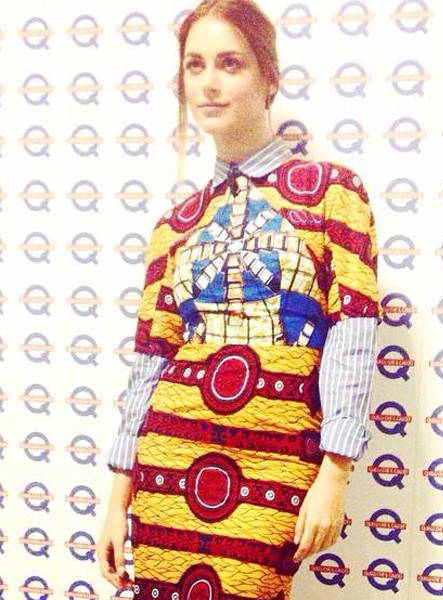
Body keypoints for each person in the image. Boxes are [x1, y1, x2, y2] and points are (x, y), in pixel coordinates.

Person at [97, 1, 381, 598]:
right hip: (169, 458)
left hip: (276, 454)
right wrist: (119, 495)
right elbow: (151, 359)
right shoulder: (175, 224)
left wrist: (335, 470)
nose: (210, 82)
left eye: (230, 63)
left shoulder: (332, 194)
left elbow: (353, 333)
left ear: (269, 77)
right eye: (195, 65)